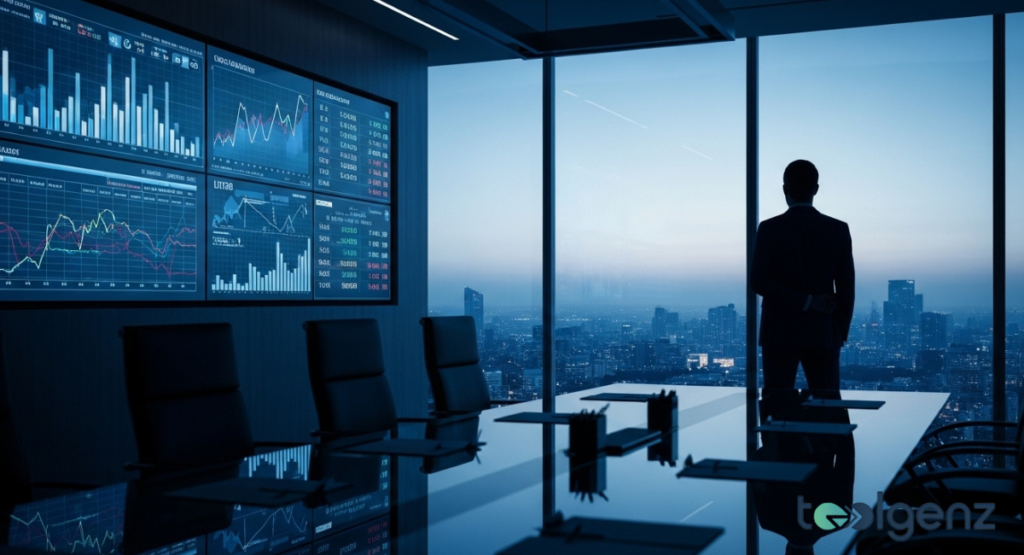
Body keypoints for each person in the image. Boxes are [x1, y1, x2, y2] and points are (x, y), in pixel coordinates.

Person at [751, 160, 855, 393]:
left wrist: (805, 301)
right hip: (824, 331)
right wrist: (838, 331)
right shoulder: (837, 229)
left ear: (784, 190)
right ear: (816, 189)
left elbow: (759, 280)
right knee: (827, 404)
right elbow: (847, 287)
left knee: (776, 404)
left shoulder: (769, 229)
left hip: (778, 332)